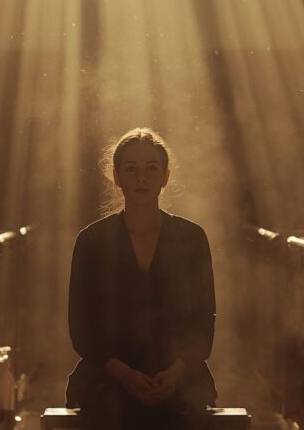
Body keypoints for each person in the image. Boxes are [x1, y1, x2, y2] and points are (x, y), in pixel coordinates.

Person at [66, 128, 218, 429]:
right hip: (107, 373)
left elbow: (203, 320)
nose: (141, 178)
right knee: (113, 408)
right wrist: (125, 374)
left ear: (165, 176)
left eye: (151, 168)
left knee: (182, 407)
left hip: (179, 373)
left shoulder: (192, 237)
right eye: (131, 169)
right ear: (116, 176)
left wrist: (176, 372)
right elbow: (82, 326)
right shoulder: (92, 240)